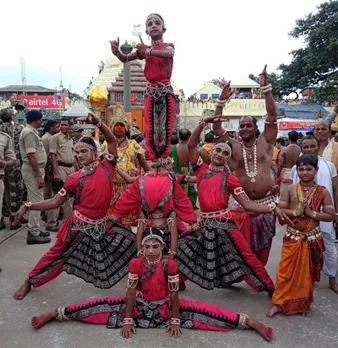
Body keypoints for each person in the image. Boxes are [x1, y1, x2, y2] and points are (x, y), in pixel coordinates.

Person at [30, 227, 273, 343]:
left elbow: (175, 296)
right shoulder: (136, 264)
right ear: (142, 247)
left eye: (156, 246)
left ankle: (249, 322)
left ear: (162, 248)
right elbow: (130, 292)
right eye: (147, 246)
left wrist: (176, 319)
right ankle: (55, 314)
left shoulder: (170, 265)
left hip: (167, 307)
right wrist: (127, 319)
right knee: (99, 307)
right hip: (139, 307)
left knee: (205, 314)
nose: (151, 250)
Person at [13, 113, 136, 301]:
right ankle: (29, 281)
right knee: (56, 255)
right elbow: (55, 202)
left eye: (84, 151)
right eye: (77, 152)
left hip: (101, 226)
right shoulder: (74, 178)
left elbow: (111, 139)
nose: (80, 156)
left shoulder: (108, 166)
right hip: (78, 225)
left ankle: (142, 279)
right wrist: (29, 205)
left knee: (133, 243)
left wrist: (98, 123)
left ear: (94, 152)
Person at [176, 114, 290, 293]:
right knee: (186, 246)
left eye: (225, 153)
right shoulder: (200, 170)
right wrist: (203, 123)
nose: (221, 155)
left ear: (228, 159)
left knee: (245, 256)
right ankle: (179, 280)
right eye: (218, 151)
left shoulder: (230, 179)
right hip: (205, 223)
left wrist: (272, 207)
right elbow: (191, 145)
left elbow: (248, 205)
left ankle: (269, 287)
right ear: (211, 153)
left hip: (225, 223)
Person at [213, 67, 279, 266]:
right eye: (241, 126)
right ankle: (239, 275)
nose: (244, 129)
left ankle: (258, 276)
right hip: (241, 205)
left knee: (262, 247)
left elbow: (272, 115)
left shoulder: (266, 142)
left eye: (248, 125)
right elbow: (216, 128)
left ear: (256, 128)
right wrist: (220, 102)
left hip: (267, 202)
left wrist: (266, 89)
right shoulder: (232, 147)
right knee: (239, 246)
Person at [267, 155, 334, 317]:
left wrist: (312, 213)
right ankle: (278, 303)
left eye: (309, 169)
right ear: (297, 170)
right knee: (284, 272)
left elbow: (330, 215)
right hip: (293, 238)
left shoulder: (323, 192)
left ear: (316, 170)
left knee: (307, 273)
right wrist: (297, 212)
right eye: (301, 169)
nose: (305, 172)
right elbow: (280, 210)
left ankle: (303, 305)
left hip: (312, 238)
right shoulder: (289, 189)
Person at [110, 13, 176, 160]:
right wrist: (116, 53)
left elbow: (167, 54)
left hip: (165, 90)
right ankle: (153, 160)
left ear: (163, 29)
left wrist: (147, 51)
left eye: (157, 23)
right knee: (150, 127)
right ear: (146, 31)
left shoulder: (168, 46)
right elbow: (125, 59)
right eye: (150, 24)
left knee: (165, 127)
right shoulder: (145, 50)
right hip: (151, 92)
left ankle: (164, 159)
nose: (153, 25)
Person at [290, 135, 338, 294]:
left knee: (329, 247)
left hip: (323, 215)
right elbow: (291, 191)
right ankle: (305, 280)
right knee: (304, 250)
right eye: (306, 147)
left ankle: (332, 278)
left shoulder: (329, 165)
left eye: (312, 146)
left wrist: (335, 212)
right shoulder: (295, 168)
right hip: (301, 218)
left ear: (319, 148)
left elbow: (336, 190)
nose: (309, 149)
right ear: (301, 149)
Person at [107, 112, 149, 228]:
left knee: (128, 220)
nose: (119, 128)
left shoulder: (133, 144)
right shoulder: (107, 145)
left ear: (127, 129)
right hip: (112, 187)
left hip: (130, 187)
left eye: (122, 126)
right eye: (116, 125)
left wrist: (153, 177)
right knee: (111, 220)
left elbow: (144, 163)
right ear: (111, 128)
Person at [19, 110, 51, 244]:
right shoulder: (28, 133)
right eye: (40, 120)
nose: (41, 122)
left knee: (35, 199)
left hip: (35, 169)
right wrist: (38, 175)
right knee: (36, 201)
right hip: (33, 170)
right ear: (36, 120)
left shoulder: (31, 131)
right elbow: (31, 156)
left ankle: (35, 229)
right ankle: (33, 232)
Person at [0, 108, 25, 230]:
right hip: (13, 162)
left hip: (1, 163)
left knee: (3, 190)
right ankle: (14, 217)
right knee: (15, 190)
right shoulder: (18, 128)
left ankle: (3, 214)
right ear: (11, 117)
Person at [49, 117, 78, 220]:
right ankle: (52, 222)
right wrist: (56, 172)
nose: (63, 127)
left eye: (66, 125)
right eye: (62, 125)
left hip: (71, 169)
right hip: (61, 168)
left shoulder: (70, 139)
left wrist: (78, 171)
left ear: (69, 126)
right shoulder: (55, 138)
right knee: (58, 195)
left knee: (70, 197)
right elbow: (53, 155)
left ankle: (67, 221)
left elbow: (73, 157)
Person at [41, 119, 60, 232]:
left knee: (49, 194)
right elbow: (46, 159)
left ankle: (47, 216)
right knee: (50, 195)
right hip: (49, 171)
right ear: (51, 128)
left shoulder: (51, 137)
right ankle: (50, 220)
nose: (59, 129)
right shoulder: (46, 139)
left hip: (51, 170)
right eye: (57, 127)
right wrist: (49, 173)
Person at [170, 128, 197, 208]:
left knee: (176, 191)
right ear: (189, 136)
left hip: (176, 173)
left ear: (179, 136)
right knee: (189, 192)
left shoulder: (172, 148)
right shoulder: (192, 149)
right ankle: (189, 206)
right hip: (188, 172)